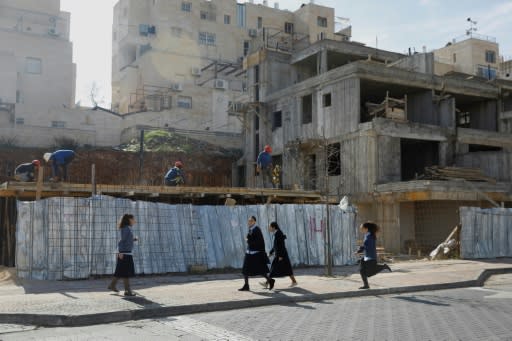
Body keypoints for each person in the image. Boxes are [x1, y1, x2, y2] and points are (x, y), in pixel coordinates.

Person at [239, 216, 273, 291]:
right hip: (249, 252)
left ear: (254, 222)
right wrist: (248, 239)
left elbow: (258, 242)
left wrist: (248, 240)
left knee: (260, 270)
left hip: (255, 254)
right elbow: (249, 238)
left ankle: (270, 280)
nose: (249, 222)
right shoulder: (251, 229)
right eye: (249, 221)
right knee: (245, 270)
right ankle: (246, 285)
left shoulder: (257, 229)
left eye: (251, 221)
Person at [260, 221, 297, 290]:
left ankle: (266, 283)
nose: (269, 228)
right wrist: (270, 253)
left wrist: (281, 256)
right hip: (280, 254)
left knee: (273, 268)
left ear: (273, 227)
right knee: (287, 268)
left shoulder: (279, 233)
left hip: (281, 255)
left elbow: (281, 245)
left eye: (270, 227)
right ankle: (294, 281)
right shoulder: (275, 234)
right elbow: (275, 246)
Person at [108, 214, 138, 296]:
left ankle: (113, 285)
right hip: (124, 253)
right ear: (129, 219)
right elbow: (122, 240)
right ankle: (127, 291)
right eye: (133, 219)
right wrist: (119, 252)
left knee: (122, 271)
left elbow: (126, 239)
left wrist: (133, 239)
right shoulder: (126, 228)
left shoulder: (127, 228)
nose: (135, 220)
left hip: (126, 253)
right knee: (125, 272)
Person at [355, 222, 391, 289]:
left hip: (370, 257)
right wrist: (360, 250)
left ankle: (383, 266)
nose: (361, 229)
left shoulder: (370, 236)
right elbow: (364, 245)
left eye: (361, 228)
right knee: (362, 271)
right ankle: (366, 285)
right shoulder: (367, 235)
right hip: (367, 256)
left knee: (369, 273)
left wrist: (360, 250)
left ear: (366, 228)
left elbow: (367, 246)